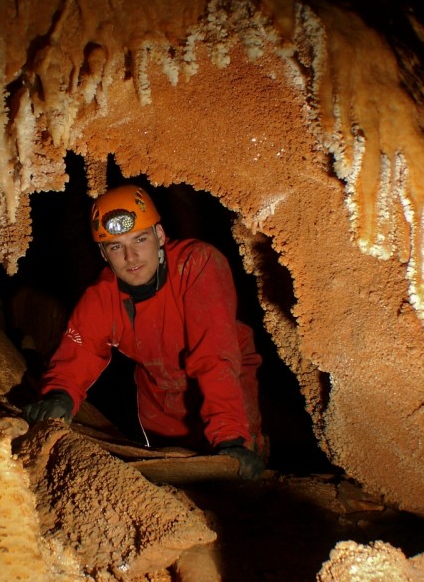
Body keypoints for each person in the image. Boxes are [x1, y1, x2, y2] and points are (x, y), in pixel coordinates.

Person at [22, 184, 266, 479]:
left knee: (239, 472)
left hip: (227, 386)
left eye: (140, 239)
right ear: (103, 253)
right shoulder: (102, 297)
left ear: (160, 236)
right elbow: (79, 351)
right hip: (159, 400)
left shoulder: (197, 264)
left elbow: (214, 357)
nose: (131, 256)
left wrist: (231, 437)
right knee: (178, 479)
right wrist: (59, 394)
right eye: (116, 247)